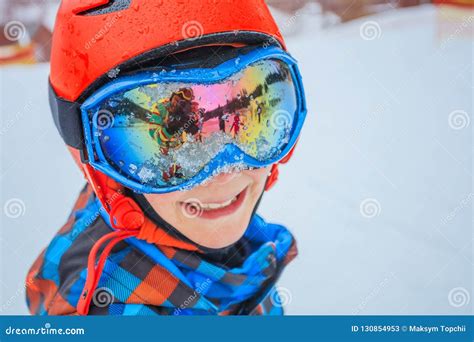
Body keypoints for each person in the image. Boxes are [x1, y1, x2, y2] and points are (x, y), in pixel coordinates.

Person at [26, 0, 307, 316]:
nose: (225, 169)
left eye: (252, 115)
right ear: (101, 169)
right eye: (167, 142)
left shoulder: (236, 253)